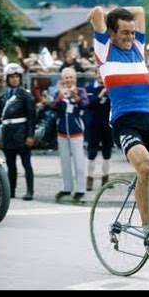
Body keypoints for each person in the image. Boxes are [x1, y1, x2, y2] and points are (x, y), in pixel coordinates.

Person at [88, 6, 149, 250]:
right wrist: (106, 17)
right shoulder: (105, 51)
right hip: (124, 122)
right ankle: (148, 230)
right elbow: (98, 12)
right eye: (124, 32)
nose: (130, 37)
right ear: (111, 33)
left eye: (132, 32)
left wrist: (125, 18)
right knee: (145, 167)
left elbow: (140, 11)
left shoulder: (138, 49)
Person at [0, 63, 36, 200]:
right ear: (7, 78)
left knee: (26, 164)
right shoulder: (1, 97)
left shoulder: (25, 95)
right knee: (10, 166)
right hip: (8, 134)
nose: (14, 79)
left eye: (17, 77)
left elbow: (32, 117)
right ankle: (11, 191)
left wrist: (30, 135)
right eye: (11, 77)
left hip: (22, 133)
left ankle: (30, 191)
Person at [52, 68, 89, 203]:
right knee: (65, 161)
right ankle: (66, 187)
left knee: (79, 162)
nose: (68, 80)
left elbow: (85, 104)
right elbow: (53, 106)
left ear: (75, 78)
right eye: (66, 78)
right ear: (62, 79)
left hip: (76, 131)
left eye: (71, 77)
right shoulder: (59, 92)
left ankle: (80, 189)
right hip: (62, 131)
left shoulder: (80, 91)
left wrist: (75, 96)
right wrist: (61, 96)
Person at [84, 67, 113, 191]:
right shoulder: (89, 88)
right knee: (92, 152)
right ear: (95, 74)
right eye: (99, 73)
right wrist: (100, 95)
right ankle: (90, 178)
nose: (101, 76)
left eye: (103, 73)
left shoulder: (112, 88)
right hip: (93, 125)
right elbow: (87, 104)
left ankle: (105, 178)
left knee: (107, 153)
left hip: (107, 125)